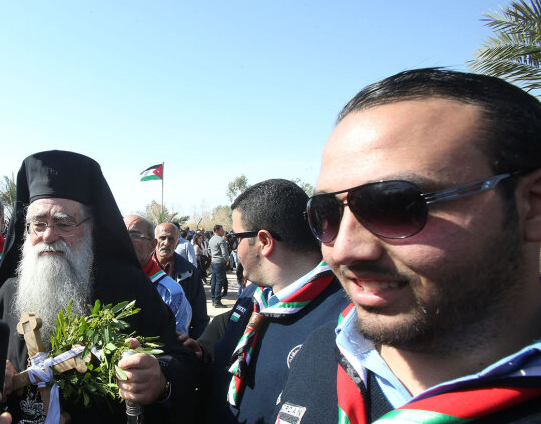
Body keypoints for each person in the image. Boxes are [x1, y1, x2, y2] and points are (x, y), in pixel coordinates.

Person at [275, 68, 541, 423]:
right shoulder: (320, 353)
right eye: (326, 214)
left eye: (395, 206)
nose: (344, 250)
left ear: (533, 206)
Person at [0, 150, 199, 423]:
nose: (48, 235)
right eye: (38, 224)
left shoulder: (129, 286)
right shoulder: (8, 292)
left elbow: (182, 360)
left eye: (63, 223)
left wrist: (160, 380)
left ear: (91, 227)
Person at [201, 179, 348, 423]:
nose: (235, 249)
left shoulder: (341, 323)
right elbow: (226, 329)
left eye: (236, 238)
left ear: (264, 242)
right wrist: (202, 348)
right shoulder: (253, 296)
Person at [123, 216, 193, 335]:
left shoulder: (172, 293)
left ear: (152, 244)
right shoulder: (104, 281)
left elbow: (176, 345)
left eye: (134, 235)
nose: (123, 239)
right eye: (121, 233)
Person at [153, 222, 209, 338]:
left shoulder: (190, 272)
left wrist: (193, 346)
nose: (166, 243)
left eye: (171, 239)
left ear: (177, 243)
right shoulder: (141, 268)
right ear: (154, 242)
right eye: (162, 238)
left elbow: (200, 317)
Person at [208, 225, 229, 307]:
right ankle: (217, 301)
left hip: (214, 262)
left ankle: (213, 299)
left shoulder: (211, 239)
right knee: (219, 282)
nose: (223, 231)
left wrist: (214, 255)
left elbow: (209, 251)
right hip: (220, 263)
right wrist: (227, 260)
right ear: (217, 230)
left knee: (214, 281)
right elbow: (225, 253)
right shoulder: (221, 240)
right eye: (221, 229)